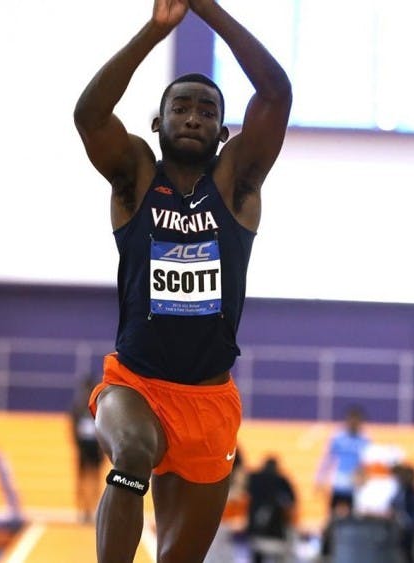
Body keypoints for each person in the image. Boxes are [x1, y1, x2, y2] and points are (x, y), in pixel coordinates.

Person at [74, 0, 292, 559]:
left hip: (209, 400)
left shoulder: (238, 183)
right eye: (181, 107)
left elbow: (275, 94)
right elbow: (90, 117)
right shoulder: (135, 177)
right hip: (135, 384)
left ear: (222, 132)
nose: (193, 117)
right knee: (131, 458)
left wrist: (207, 9)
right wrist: (157, 29)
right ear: (158, 122)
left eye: (206, 111)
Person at [315, 406, 370, 518]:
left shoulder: (365, 439)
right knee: (333, 510)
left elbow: (366, 462)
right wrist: (320, 478)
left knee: (353, 512)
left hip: (355, 480)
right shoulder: (338, 437)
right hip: (339, 478)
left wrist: (364, 479)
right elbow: (327, 459)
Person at [245, 456, 297, 563]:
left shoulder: (254, 478)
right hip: (276, 532)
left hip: (256, 530)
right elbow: (292, 501)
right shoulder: (282, 480)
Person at [71, 373, 106, 524]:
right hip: (84, 447)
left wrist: (103, 447)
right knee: (83, 479)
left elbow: (105, 427)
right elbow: (73, 429)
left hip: (95, 447)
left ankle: (92, 509)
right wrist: (78, 447)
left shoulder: (100, 406)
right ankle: (83, 509)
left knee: (95, 478)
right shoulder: (78, 408)